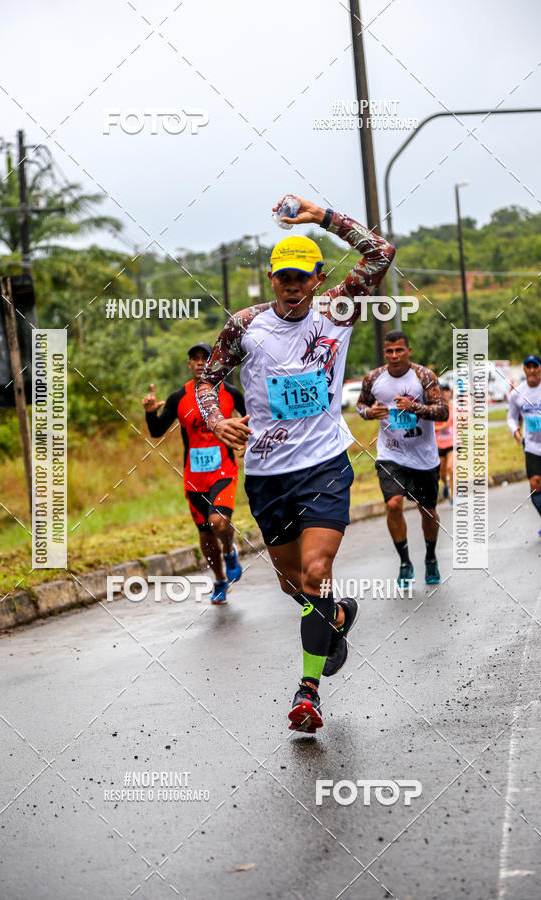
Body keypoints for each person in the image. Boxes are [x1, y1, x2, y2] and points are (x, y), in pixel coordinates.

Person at [195, 194, 394, 733]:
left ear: (317, 277)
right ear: (270, 277)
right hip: (267, 473)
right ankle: (340, 615)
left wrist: (322, 217)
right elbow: (207, 380)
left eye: (300, 276)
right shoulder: (245, 326)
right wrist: (215, 421)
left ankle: (308, 694)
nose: (291, 284)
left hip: (325, 464)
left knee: (315, 571)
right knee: (295, 586)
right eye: (282, 276)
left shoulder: (338, 311)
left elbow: (379, 252)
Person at [142, 342, 246, 604]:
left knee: (219, 522)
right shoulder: (179, 397)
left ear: (214, 362)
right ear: (189, 364)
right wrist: (150, 414)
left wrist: (248, 443)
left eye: (205, 358)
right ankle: (220, 580)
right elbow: (156, 432)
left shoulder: (230, 392)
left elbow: (252, 418)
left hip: (224, 470)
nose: (200, 363)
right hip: (194, 477)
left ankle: (230, 551)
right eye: (195, 359)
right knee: (205, 535)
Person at [356, 331, 448, 587]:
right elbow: (360, 405)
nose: (394, 356)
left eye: (399, 350)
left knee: (427, 511)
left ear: (409, 350)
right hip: (391, 454)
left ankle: (430, 557)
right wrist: (369, 412)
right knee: (394, 504)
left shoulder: (424, 376)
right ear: (384, 353)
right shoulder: (373, 378)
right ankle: (405, 562)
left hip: (423, 457)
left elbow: (443, 412)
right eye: (389, 351)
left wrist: (415, 407)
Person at [507, 354, 541, 536]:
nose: (531, 370)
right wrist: (515, 430)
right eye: (528, 367)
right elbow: (511, 417)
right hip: (533, 446)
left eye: (535, 367)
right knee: (535, 483)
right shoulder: (517, 393)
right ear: (524, 370)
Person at [434, 384, 454, 502]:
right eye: (443, 391)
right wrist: (440, 428)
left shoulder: (454, 407)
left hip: (453, 441)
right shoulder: (436, 408)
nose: (445, 394)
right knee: (441, 472)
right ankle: (446, 485)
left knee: (451, 468)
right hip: (439, 443)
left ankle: (453, 496)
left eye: (447, 391)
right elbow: (432, 426)